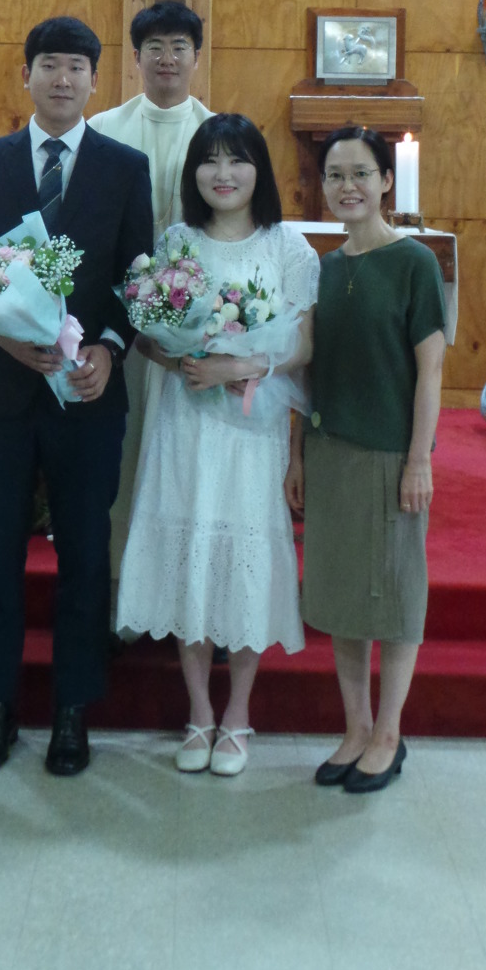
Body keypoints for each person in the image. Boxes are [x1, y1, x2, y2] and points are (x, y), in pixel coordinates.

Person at [0, 16, 152, 777]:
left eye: (76, 68)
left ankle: (72, 711)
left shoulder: (124, 167)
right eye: (49, 65)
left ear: (95, 80)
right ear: (25, 75)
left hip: (87, 396)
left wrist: (109, 348)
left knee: (85, 557)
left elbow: (139, 278)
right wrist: (1, 339)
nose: (62, 79)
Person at [117, 114, 317, 777]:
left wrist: (242, 366)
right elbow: (148, 334)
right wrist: (186, 362)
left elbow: (303, 345)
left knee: (243, 559)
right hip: (186, 424)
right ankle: (200, 713)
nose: (223, 173)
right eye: (210, 160)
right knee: (192, 560)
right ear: (194, 173)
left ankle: (238, 715)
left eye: (237, 160)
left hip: (252, 431)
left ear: (260, 170)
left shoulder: (288, 248)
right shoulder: (176, 243)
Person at [285, 125, 446, 795]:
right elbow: (307, 372)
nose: (347, 186)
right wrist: (297, 455)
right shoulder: (325, 269)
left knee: (396, 593)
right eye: (335, 175)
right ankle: (354, 727)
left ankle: (388, 733)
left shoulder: (414, 263)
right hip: (330, 452)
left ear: (386, 181)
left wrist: (418, 460)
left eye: (360, 173)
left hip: (388, 454)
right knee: (342, 594)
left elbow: (431, 371)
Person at [88, 0, 212, 612]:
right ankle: (122, 604)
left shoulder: (219, 135)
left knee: (190, 469)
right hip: (121, 331)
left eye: (179, 47)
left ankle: (190, 604)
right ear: (135, 58)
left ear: (196, 57)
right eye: (155, 48)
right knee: (124, 461)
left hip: (197, 334)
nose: (167, 59)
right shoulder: (102, 130)